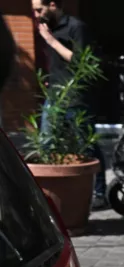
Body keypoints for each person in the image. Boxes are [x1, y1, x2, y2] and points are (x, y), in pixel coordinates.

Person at [31, 0, 107, 208]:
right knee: (46, 142)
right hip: (56, 95)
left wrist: (51, 40)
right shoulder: (50, 27)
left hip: (75, 96)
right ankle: (48, 196)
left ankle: (100, 192)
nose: (36, 15)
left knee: (86, 144)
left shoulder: (75, 27)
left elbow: (81, 61)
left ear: (53, 4)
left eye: (39, 9)